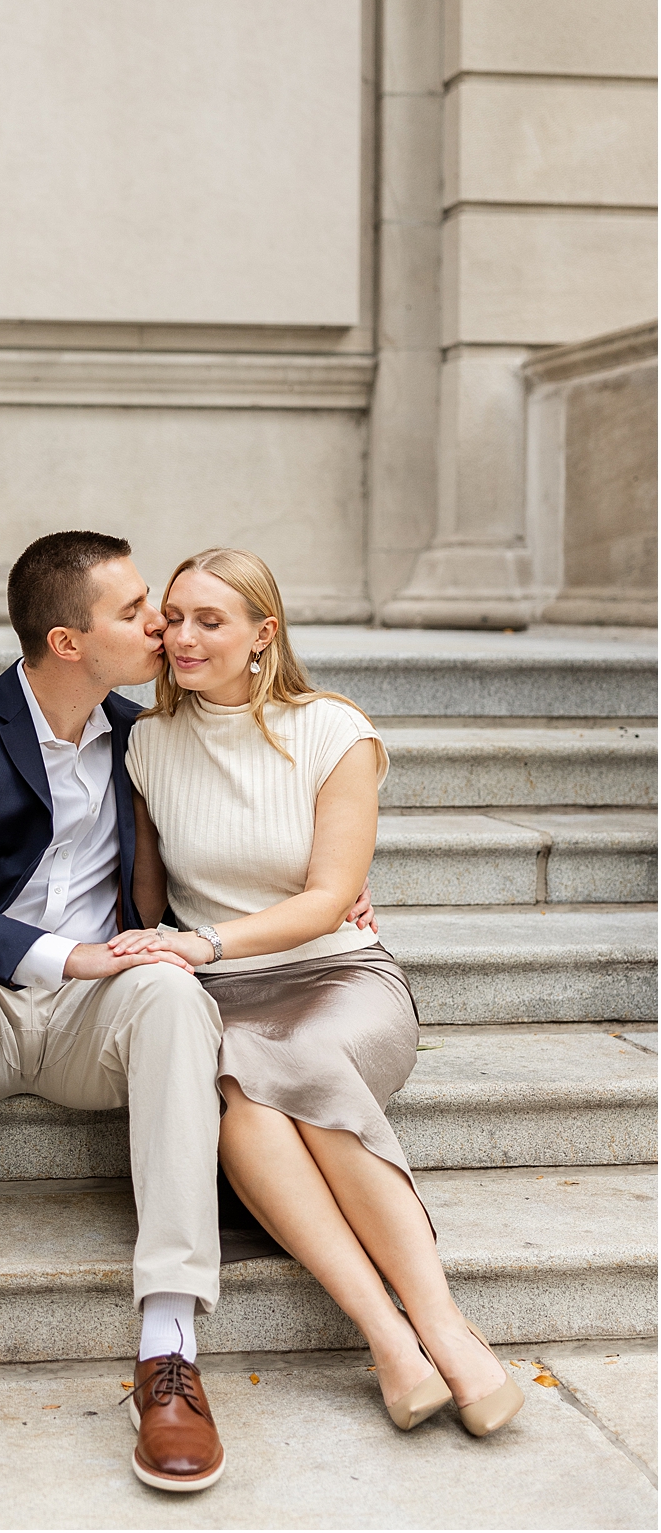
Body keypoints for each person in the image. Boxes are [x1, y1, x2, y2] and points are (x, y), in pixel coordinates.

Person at [0, 528, 380, 1494]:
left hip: (99, 1020)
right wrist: (63, 953)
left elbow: (240, 830)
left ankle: (169, 1345)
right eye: (138, 612)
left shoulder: (147, 736)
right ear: (68, 641)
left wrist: (330, 890)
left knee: (170, 991)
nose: (161, 627)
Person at [111, 548, 525, 1439]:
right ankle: (391, 1339)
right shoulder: (145, 742)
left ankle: (444, 1324)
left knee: (286, 1058)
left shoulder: (336, 731)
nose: (182, 636)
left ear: (264, 632)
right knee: (245, 1099)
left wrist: (206, 939)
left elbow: (330, 897)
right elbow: (146, 896)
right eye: (173, 617)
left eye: (210, 620)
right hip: (222, 988)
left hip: (339, 975)